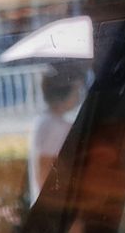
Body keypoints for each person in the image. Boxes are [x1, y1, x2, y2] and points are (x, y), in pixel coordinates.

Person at [27, 64, 84, 204]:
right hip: (56, 207)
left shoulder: (45, 121)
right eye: (77, 90)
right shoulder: (54, 127)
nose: (79, 94)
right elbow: (45, 171)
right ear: (65, 93)